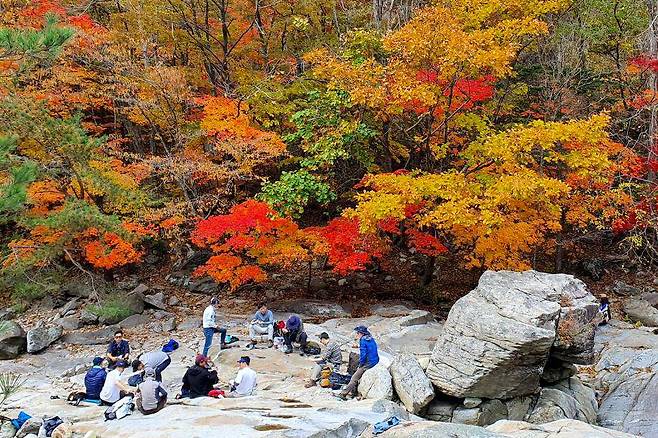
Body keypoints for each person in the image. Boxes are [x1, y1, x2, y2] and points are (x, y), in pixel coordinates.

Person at [338, 326, 379, 400]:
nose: (356, 334)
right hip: (375, 360)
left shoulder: (362, 340)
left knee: (354, 377)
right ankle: (353, 392)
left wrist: (361, 365)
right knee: (356, 370)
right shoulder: (371, 338)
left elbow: (363, 355)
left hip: (369, 363)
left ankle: (343, 394)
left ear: (361, 333)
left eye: (357, 333)